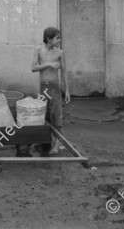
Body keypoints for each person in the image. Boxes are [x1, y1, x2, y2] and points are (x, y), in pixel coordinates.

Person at [31, 27, 70, 155]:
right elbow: (33, 68)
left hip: (55, 86)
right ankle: (46, 141)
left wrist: (67, 91)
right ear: (49, 39)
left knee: (56, 114)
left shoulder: (60, 53)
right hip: (43, 87)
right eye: (57, 38)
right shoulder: (38, 50)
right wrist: (48, 64)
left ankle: (57, 145)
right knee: (44, 114)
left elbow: (64, 72)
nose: (59, 40)